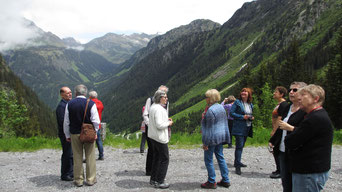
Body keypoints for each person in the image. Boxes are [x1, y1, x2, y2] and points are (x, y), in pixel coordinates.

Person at [280, 84, 333, 192]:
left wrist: (292, 135)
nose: (299, 98)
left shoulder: (314, 118)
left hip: (309, 172)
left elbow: (291, 141)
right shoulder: (316, 115)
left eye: (304, 95)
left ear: (315, 99)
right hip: (311, 170)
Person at [269, 81, 307, 192]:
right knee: (286, 183)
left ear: (303, 92)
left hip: (297, 152)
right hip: (282, 150)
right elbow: (280, 126)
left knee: (298, 184)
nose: (291, 92)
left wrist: (290, 128)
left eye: (295, 90)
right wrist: (273, 140)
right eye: (290, 89)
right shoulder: (287, 106)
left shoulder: (305, 110)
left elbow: (307, 131)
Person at [64, 84, 100, 187]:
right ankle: (90, 179)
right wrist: (95, 132)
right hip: (88, 133)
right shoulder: (91, 103)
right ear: (85, 93)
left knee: (77, 156)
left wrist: (67, 135)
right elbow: (96, 121)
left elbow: (66, 122)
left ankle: (78, 180)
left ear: (75, 93)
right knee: (90, 156)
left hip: (74, 133)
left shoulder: (69, 104)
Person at [201, 89, 231, 189]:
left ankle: (211, 181)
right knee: (220, 157)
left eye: (207, 97)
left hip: (212, 139)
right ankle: (226, 180)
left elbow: (209, 129)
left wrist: (205, 143)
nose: (205, 99)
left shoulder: (210, 111)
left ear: (211, 98)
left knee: (208, 160)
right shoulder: (220, 107)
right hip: (220, 137)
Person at [148, 90, 173, 189]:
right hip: (160, 137)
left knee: (157, 158)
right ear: (160, 98)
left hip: (153, 136)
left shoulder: (153, 107)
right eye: (165, 97)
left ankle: (153, 179)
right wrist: (169, 123)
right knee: (165, 159)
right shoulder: (159, 109)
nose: (166, 99)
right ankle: (160, 181)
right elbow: (159, 125)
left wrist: (166, 120)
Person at [143, 85, 169, 176]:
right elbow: (145, 114)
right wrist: (150, 125)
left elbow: (166, 112)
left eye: (166, 94)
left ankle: (155, 172)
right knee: (152, 150)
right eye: (163, 94)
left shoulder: (165, 103)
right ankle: (149, 170)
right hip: (152, 128)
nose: (165, 97)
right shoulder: (150, 100)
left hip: (159, 129)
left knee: (158, 153)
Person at [230, 88, 254, 175]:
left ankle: (238, 161)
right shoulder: (237, 102)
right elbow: (231, 113)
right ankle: (237, 166)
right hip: (239, 128)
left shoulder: (250, 104)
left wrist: (251, 117)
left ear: (249, 94)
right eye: (242, 91)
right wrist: (242, 117)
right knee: (239, 146)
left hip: (247, 127)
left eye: (245, 91)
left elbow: (250, 113)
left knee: (241, 145)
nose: (243, 93)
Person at [269, 86, 288, 179]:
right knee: (275, 150)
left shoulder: (283, 105)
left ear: (281, 94)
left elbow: (280, 118)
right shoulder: (280, 104)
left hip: (278, 131)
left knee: (276, 150)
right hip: (277, 129)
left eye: (276, 92)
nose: (274, 93)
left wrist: (274, 131)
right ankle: (279, 169)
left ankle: (280, 170)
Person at [56, 86, 73, 181]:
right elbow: (63, 122)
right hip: (65, 134)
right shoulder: (62, 107)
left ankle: (70, 172)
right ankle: (65, 174)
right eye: (67, 93)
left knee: (70, 154)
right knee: (67, 154)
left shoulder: (67, 104)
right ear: (62, 95)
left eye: (70, 92)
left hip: (67, 134)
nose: (70, 94)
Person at [89, 91, 104, 160]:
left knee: (89, 141)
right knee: (99, 140)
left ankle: (89, 157)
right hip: (98, 124)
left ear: (90, 96)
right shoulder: (100, 103)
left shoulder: (90, 103)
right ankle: (101, 155)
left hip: (90, 125)